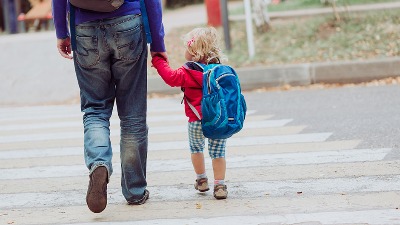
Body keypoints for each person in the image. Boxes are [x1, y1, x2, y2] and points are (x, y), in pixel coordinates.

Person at [52, 0, 167, 213]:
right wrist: (158, 44)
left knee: (95, 109)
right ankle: (135, 190)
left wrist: (61, 31)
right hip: (128, 23)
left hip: (84, 27)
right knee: (133, 115)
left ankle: (99, 163)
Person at [151, 27, 228, 200]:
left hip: (196, 120)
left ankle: (202, 180)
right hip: (218, 120)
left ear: (194, 52)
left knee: (196, 149)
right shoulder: (220, 71)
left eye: (187, 47)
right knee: (218, 153)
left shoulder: (188, 72)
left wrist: (158, 61)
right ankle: (220, 185)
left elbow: (170, 77)